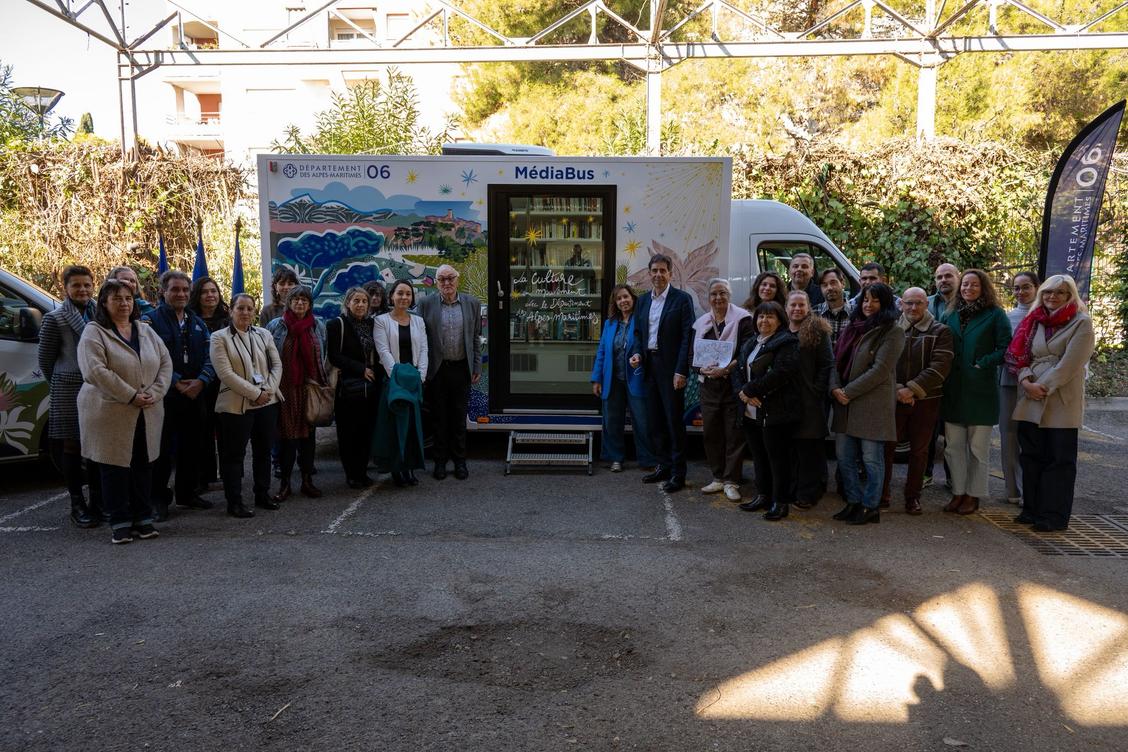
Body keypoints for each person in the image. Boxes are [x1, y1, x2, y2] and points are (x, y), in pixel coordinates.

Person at [77, 279, 172, 544]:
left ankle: (143, 518)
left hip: (148, 409)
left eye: (128, 298)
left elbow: (165, 362)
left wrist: (155, 392)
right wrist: (131, 395)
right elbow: (95, 371)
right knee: (115, 467)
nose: (124, 303)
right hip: (110, 410)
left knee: (143, 464)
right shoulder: (93, 332)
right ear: (104, 303)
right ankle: (119, 521)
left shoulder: (145, 330)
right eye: (116, 298)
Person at [1009, 275, 1095, 532]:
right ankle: (1032, 509)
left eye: (1059, 293)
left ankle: (1053, 516)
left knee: (1059, 460)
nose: (1052, 297)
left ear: (1070, 296)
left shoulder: (1082, 323)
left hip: (1060, 397)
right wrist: (1026, 382)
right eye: (1047, 292)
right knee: (1032, 456)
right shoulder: (1033, 320)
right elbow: (1018, 355)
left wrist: (1041, 387)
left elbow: (1070, 363)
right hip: (1030, 394)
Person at [142, 270, 217, 521]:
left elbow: (210, 357)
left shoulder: (197, 322)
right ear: (163, 292)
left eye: (185, 290)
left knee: (193, 447)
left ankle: (187, 493)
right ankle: (158, 500)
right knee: (162, 450)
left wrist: (201, 381)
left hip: (195, 395)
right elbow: (149, 359)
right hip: (165, 395)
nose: (181, 294)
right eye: (175, 289)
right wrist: (176, 383)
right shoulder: (149, 322)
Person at [829, 282, 904, 525]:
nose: (868, 305)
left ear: (885, 304)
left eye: (875, 301)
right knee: (844, 458)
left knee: (872, 460)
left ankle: (870, 506)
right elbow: (833, 361)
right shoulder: (852, 327)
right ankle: (853, 501)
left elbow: (880, 370)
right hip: (844, 402)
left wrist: (847, 392)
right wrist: (834, 388)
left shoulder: (892, 331)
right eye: (864, 300)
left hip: (870, 404)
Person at [939, 269, 1012, 515]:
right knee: (953, 447)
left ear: (984, 288)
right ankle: (958, 492)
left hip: (980, 390)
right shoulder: (949, 313)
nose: (968, 288)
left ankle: (974, 494)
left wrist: (984, 362)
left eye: (974, 285)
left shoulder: (995, 314)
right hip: (954, 389)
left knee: (978, 449)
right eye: (965, 284)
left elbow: (1005, 347)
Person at [38, 265, 103, 527]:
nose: (83, 290)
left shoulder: (101, 312)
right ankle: (78, 504)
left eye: (87, 284)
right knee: (72, 447)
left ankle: (100, 501)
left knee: (97, 446)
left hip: (98, 386)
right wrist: (64, 379)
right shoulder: (55, 318)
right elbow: (45, 361)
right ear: (65, 288)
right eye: (76, 285)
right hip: (68, 388)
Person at [879, 287, 954, 515]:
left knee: (919, 451)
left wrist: (911, 389)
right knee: (887, 448)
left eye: (918, 303)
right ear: (901, 304)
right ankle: (882, 494)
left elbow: (940, 366)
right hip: (893, 398)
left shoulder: (941, 331)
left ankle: (913, 497)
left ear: (926, 304)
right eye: (909, 303)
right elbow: (881, 363)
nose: (913, 308)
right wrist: (897, 389)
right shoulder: (890, 329)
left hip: (926, 400)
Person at [210, 293, 282, 518]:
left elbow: (277, 365)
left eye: (250, 308)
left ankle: (262, 493)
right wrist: (254, 393)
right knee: (234, 455)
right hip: (235, 406)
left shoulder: (264, 334)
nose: (245, 312)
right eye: (240, 308)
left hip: (267, 402)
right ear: (231, 310)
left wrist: (267, 392)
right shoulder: (218, 337)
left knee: (263, 451)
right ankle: (235, 501)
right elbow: (225, 373)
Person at [629, 254, 695, 493]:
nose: (658, 275)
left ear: (670, 273)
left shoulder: (682, 300)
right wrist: (637, 354)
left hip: (671, 370)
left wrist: (681, 370)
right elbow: (638, 334)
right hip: (649, 367)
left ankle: (678, 473)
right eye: (654, 271)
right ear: (649, 274)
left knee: (673, 422)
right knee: (655, 421)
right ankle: (663, 466)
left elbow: (688, 337)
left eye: (662, 271)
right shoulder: (643, 301)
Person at [732, 301, 801, 520]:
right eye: (761, 316)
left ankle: (780, 502)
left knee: (777, 459)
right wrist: (743, 392)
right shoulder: (752, 342)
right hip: (751, 410)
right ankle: (763, 495)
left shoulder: (787, 342)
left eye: (770, 317)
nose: (764, 321)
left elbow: (782, 373)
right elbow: (738, 370)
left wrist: (751, 390)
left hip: (775, 410)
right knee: (759, 457)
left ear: (780, 320)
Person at [417, 264, 482, 480]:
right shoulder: (426, 304)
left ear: (457, 279)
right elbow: (419, 339)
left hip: (461, 369)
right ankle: (440, 462)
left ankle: (460, 462)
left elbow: (475, 338)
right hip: (437, 370)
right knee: (439, 419)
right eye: (442, 279)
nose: (447, 283)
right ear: (436, 282)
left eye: (450, 278)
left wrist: (476, 366)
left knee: (458, 418)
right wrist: (422, 369)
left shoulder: (472, 303)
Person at [690, 279, 753, 500]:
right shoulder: (700, 324)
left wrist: (726, 369)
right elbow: (693, 358)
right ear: (709, 298)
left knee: (734, 434)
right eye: (714, 294)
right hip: (708, 387)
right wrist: (703, 369)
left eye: (723, 293)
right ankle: (717, 478)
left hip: (733, 385)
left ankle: (731, 481)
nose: (718, 298)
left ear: (730, 295)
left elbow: (746, 352)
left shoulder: (743, 320)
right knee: (711, 433)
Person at [266, 285, 328, 501]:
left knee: (308, 439)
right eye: (296, 299)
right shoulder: (276, 326)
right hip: (284, 390)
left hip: (308, 388)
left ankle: (307, 481)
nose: (300, 303)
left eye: (304, 300)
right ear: (288, 302)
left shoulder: (317, 326)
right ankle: (284, 485)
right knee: (287, 439)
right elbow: (267, 358)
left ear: (310, 304)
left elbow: (324, 355)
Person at [591, 285, 655, 473]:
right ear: (615, 303)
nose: (623, 301)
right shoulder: (609, 324)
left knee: (642, 420)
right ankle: (615, 458)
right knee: (612, 420)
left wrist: (640, 357)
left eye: (625, 297)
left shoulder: (642, 320)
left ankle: (647, 459)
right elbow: (602, 352)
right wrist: (597, 379)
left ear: (633, 298)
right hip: (612, 379)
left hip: (636, 378)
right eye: (619, 299)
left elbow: (647, 346)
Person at [373, 279, 428, 486]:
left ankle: (410, 468)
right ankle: (397, 469)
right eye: (400, 293)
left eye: (408, 294)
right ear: (392, 296)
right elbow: (383, 351)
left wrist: (420, 376)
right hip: (393, 381)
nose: (404, 297)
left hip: (414, 380)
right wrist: (397, 375)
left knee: (413, 428)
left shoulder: (418, 321)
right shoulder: (381, 321)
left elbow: (424, 350)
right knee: (395, 427)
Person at [327, 287, 380, 489]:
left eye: (364, 301)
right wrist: (361, 369)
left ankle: (362, 471)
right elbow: (334, 355)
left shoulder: (372, 324)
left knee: (366, 431)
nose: (360, 305)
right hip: (348, 387)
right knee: (348, 433)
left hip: (370, 388)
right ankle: (351, 474)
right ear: (348, 302)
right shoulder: (336, 325)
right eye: (356, 301)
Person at [785, 290, 833, 509]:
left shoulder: (818, 331)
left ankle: (809, 493)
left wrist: (817, 390)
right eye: (793, 305)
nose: (797, 309)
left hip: (809, 401)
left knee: (809, 450)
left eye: (801, 305)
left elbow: (826, 364)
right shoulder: (780, 329)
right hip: (785, 401)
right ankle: (792, 489)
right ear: (786, 308)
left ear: (808, 307)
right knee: (791, 449)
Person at [999, 271, 1039, 505]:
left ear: (1037, 288)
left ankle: (1031, 489)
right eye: (1016, 288)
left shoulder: (1045, 316)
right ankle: (1012, 489)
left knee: (1032, 437)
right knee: (1009, 436)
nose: (1021, 292)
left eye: (1026, 287)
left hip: (1036, 383)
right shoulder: (1008, 317)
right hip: (1010, 382)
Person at [189, 276, 231, 492]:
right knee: (202, 432)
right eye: (205, 291)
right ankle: (204, 477)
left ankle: (229, 476)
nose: (210, 295)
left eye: (214, 291)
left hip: (225, 383)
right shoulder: (190, 319)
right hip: (201, 383)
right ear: (198, 295)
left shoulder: (227, 319)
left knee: (226, 432)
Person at [924, 262, 960, 488]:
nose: (943, 280)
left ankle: (952, 477)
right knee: (927, 430)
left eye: (948, 276)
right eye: (939, 277)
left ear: (958, 277)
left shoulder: (967, 304)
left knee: (952, 432)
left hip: (957, 376)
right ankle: (925, 474)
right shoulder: (925, 303)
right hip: (930, 374)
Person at [814, 267, 854, 351]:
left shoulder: (856, 313)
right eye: (824, 285)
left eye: (833, 283)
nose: (829, 288)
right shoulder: (814, 313)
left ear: (843, 283)